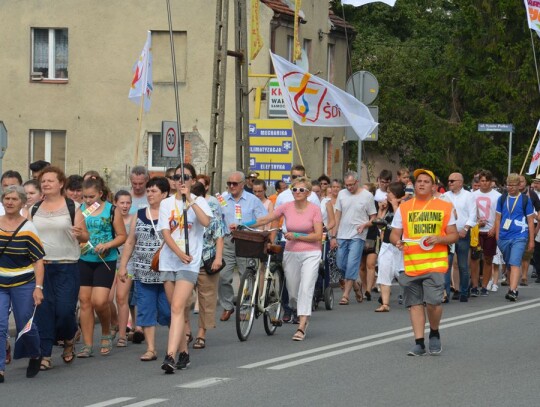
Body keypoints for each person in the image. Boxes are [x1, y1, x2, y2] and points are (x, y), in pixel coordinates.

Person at [390, 169, 458, 356]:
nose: (421, 184)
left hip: (434, 264)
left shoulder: (444, 207)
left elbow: (453, 235)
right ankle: (419, 342)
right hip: (410, 264)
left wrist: (439, 239)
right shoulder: (405, 207)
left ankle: (434, 332)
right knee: (415, 303)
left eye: (426, 181)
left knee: (434, 303)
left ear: (433, 186)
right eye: (419, 181)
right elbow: (395, 232)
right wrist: (396, 241)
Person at [31, 166, 89, 371]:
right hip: (41, 267)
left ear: (61, 184)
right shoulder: (34, 208)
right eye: (43, 181)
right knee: (43, 313)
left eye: (50, 181)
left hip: (67, 266)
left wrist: (79, 234)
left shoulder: (73, 207)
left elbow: (85, 237)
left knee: (65, 311)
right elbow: (28, 236)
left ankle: (70, 335)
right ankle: (45, 354)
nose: (45, 184)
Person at [251, 177, 323, 341]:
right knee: (292, 292)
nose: (297, 192)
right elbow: (265, 219)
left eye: (301, 190)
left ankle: (302, 325)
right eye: (294, 189)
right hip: (291, 252)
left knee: (305, 287)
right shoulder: (287, 207)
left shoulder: (314, 209)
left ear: (308, 193)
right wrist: (241, 224)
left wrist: (297, 235)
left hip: (311, 253)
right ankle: (299, 310)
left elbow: (318, 235)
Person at [158, 163, 212, 373]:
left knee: (178, 307)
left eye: (186, 177)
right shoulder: (166, 203)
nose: (181, 180)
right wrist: (178, 253)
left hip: (190, 262)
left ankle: (169, 355)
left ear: (193, 180)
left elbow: (206, 222)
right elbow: (165, 232)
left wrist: (190, 199)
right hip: (170, 260)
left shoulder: (198, 202)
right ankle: (183, 352)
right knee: (176, 310)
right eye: (177, 176)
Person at [118, 177, 171, 361]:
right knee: (145, 310)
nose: (149, 194)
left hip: (167, 274)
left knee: (168, 311)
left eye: (153, 191)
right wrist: (124, 266)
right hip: (143, 273)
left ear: (164, 194)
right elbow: (130, 241)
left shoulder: (172, 214)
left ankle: (175, 345)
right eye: (148, 191)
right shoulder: (139, 215)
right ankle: (151, 349)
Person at [76, 176, 127, 358]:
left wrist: (107, 245)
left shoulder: (111, 210)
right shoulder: (81, 210)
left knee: (99, 301)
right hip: (84, 259)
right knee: (85, 302)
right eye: (85, 197)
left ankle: (106, 330)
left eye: (91, 197)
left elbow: (122, 236)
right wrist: (79, 238)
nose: (88, 201)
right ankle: (87, 344)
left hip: (105, 260)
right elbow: (78, 233)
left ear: (100, 193)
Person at [0, 186, 45, 382]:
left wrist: (38, 288)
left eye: (14, 199)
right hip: (0, 283)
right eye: (7, 198)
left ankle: (35, 354)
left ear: (22, 202)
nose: (10, 202)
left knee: (24, 323)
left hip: (24, 282)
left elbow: (38, 260)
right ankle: (0, 369)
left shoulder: (28, 228)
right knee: (0, 325)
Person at [218, 171, 267, 322]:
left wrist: (260, 235)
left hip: (246, 241)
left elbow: (263, 219)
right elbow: (216, 220)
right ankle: (227, 306)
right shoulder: (222, 200)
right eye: (229, 183)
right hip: (227, 241)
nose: (231, 186)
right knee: (222, 276)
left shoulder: (253, 200)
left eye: (235, 183)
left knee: (245, 275)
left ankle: (245, 308)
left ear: (243, 184)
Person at [185, 181, 226, 350]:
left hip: (206, 261)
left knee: (206, 299)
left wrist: (218, 258)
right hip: (187, 261)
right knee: (184, 299)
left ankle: (202, 333)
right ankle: (186, 330)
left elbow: (219, 235)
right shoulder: (183, 212)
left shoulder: (210, 212)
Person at [331, 171, 376, 305]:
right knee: (340, 263)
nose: (349, 187)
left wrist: (365, 225)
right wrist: (334, 235)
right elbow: (337, 216)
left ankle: (345, 295)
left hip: (358, 235)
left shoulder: (367, 196)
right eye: (346, 185)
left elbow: (373, 217)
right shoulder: (342, 194)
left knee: (352, 264)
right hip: (342, 235)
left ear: (357, 182)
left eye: (351, 185)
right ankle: (356, 285)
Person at [495, 173, 535, 301]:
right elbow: (497, 219)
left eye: (513, 185)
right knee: (508, 263)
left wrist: (531, 240)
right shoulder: (502, 199)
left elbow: (530, 221)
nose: (510, 188)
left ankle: (513, 290)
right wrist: (497, 237)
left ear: (519, 186)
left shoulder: (525, 200)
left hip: (520, 236)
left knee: (515, 262)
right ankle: (512, 286)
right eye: (508, 185)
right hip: (504, 237)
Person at [440, 172, 476, 301]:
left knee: (462, 265)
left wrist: (466, 229)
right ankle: (446, 293)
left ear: (460, 182)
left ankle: (464, 292)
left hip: (462, 234)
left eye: (452, 181)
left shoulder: (468, 196)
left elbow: (473, 215)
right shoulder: (445, 196)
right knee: (447, 265)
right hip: (448, 235)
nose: (449, 183)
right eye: (448, 181)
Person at [109, 190, 136, 347]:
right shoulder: (110, 218)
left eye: (128, 203)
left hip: (128, 262)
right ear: (115, 203)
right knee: (106, 299)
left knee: (121, 297)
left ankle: (122, 335)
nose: (125, 206)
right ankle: (114, 321)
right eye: (122, 203)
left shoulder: (134, 219)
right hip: (110, 261)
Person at [374, 182, 405, 312]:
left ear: (396, 194)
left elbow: (401, 220)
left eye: (389, 192)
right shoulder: (386, 207)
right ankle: (385, 304)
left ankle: (414, 300)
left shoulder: (403, 206)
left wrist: (395, 204)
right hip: (386, 244)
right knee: (384, 272)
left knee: (403, 275)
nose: (387, 195)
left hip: (400, 246)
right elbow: (378, 222)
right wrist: (381, 210)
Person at [472, 170, 501, 296]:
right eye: (482, 181)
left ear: (491, 182)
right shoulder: (473, 195)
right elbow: (471, 213)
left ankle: (484, 286)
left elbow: (499, 215)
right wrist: (477, 222)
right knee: (475, 258)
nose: (484, 183)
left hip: (490, 231)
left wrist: (494, 228)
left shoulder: (497, 196)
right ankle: (474, 285)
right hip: (477, 230)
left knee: (488, 259)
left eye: (486, 181)